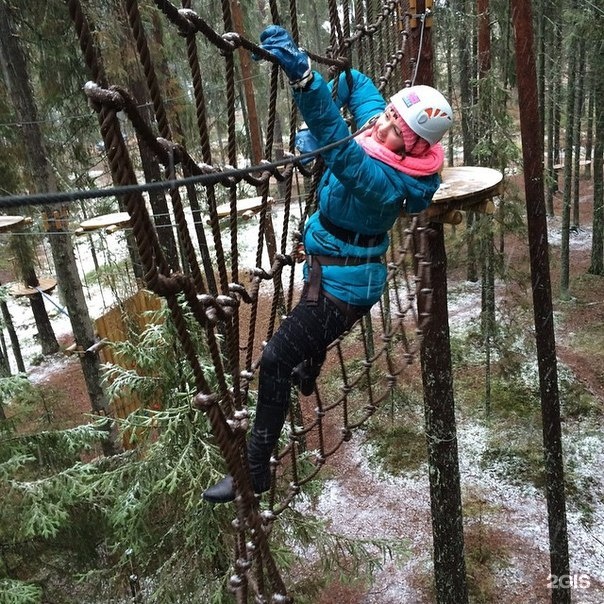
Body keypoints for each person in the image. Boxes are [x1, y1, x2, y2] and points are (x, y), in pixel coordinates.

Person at [203, 25, 453, 503]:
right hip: (329, 269)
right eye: (387, 117)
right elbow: (358, 84)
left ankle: (256, 471)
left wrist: (305, 83)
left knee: (274, 361)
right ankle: (309, 370)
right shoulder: (383, 127)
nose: (382, 127)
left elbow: (341, 154)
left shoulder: (388, 183)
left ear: (417, 148)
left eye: (398, 131)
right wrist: (331, 84)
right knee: (302, 349)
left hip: (343, 290)